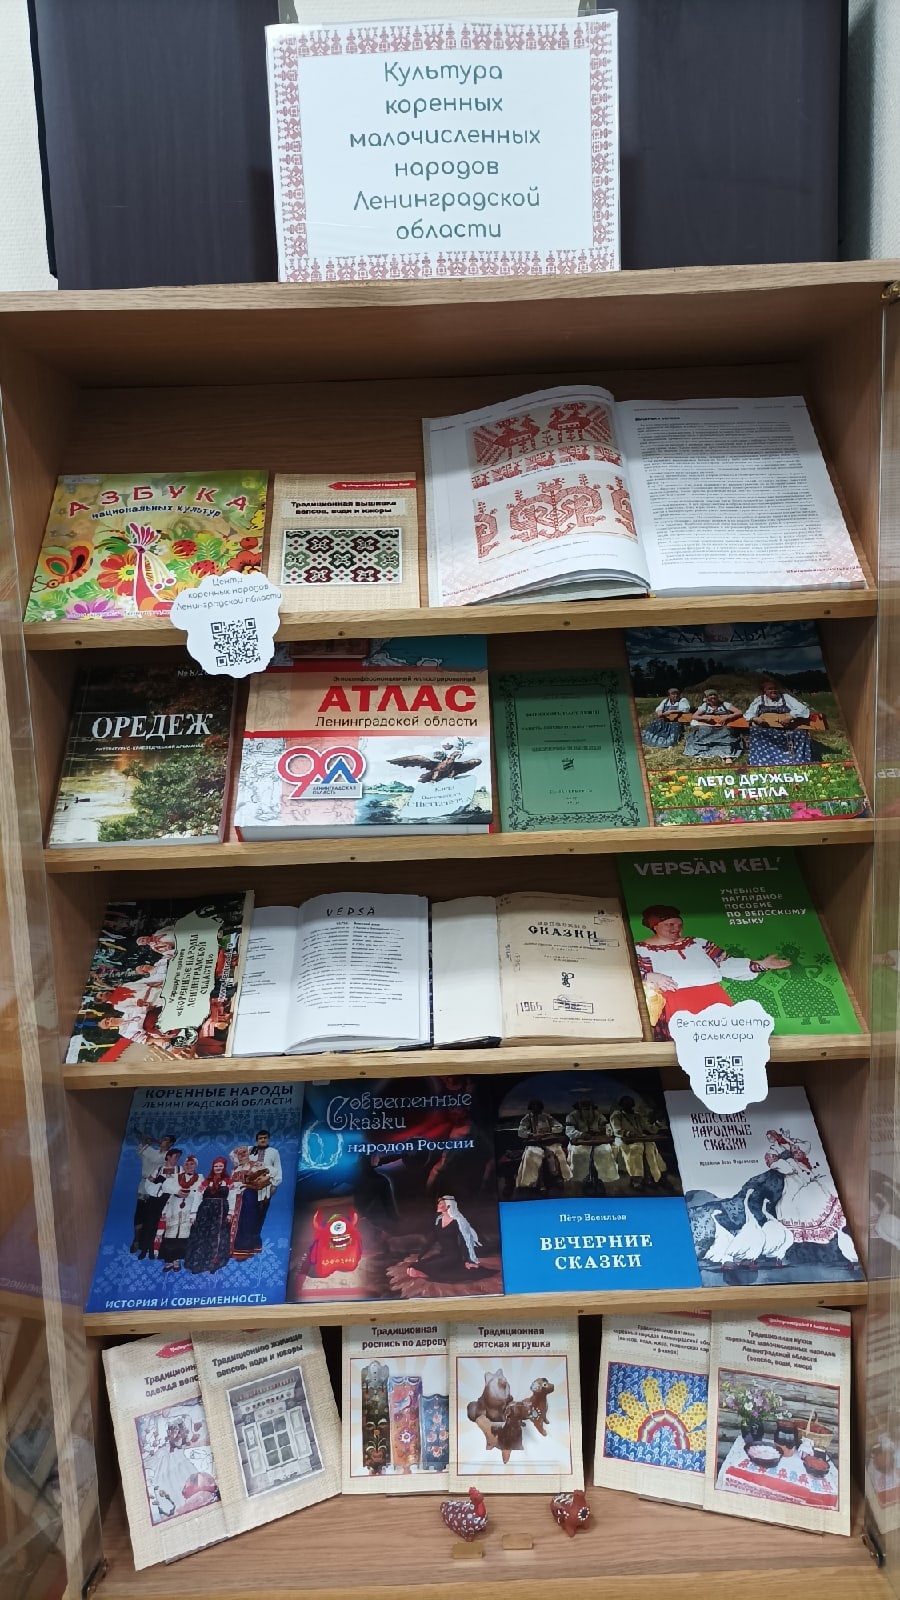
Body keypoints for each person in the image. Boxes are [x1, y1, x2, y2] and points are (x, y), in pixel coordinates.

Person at [636, 905, 791, 1041]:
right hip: (676, 1001)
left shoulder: (698, 943)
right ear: (655, 925)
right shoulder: (641, 949)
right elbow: (631, 975)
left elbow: (725, 964)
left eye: (679, 925)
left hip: (713, 997)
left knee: (726, 1039)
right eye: (670, 924)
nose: (676, 928)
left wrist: (761, 965)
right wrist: (650, 976)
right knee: (689, 1042)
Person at [406, 1195, 487, 1282]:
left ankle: (426, 1275)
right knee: (414, 1265)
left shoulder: (458, 1221)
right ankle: (424, 1272)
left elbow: (465, 1242)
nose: (438, 1205)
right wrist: (420, 1255)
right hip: (443, 1254)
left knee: (430, 1267)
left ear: (448, 1206)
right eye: (439, 1203)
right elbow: (431, 1240)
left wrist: (467, 1261)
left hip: (454, 1257)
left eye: (441, 1204)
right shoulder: (439, 1221)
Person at [744, 677, 814, 765]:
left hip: (786, 729)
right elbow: (749, 713)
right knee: (756, 731)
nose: (773, 690)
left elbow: (803, 708)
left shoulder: (786, 698)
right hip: (767, 729)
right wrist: (756, 719)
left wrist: (791, 716)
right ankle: (764, 760)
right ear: (764, 690)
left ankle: (793, 759)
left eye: (775, 688)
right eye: (770, 689)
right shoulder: (759, 700)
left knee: (800, 732)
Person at [184, 1157, 233, 1275]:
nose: (218, 1168)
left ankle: (213, 1264)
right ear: (212, 1167)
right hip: (205, 1211)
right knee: (201, 1236)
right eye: (216, 1166)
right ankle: (197, 1264)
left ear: (224, 1167)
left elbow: (232, 1197)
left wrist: (230, 1213)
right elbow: (197, 1197)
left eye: (220, 1166)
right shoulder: (205, 1182)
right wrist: (193, 1214)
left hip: (220, 1211)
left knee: (216, 1237)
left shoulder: (228, 1182)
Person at [131, 1130, 176, 1252]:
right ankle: (136, 1240)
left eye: (166, 1140)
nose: (162, 1141)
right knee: (139, 1214)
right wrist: (144, 1141)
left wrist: (148, 1143)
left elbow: (155, 1159)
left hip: (157, 1189)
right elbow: (140, 1152)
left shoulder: (168, 1156)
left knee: (150, 1217)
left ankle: (148, 1244)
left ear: (171, 1144)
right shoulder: (153, 1152)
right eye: (162, 1139)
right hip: (144, 1186)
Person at [514, 1099, 572, 1191]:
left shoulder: (547, 1116)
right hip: (535, 1144)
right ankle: (533, 1182)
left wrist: (549, 1131)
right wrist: (531, 1134)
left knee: (559, 1153)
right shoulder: (527, 1118)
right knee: (531, 1155)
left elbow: (559, 1126)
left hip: (549, 1142)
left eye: (538, 1106)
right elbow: (521, 1132)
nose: (536, 1109)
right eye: (534, 1107)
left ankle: (559, 1177)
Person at [137, 1146, 182, 1259]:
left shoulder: (179, 1170)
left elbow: (178, 1186)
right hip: (155, 1199)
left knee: (160, 1226)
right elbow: (149, 1183)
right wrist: (157, 1188)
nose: (176, 1159)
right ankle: (145, 1249)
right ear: (168, 1157)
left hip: (169, 1200)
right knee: (149, 1223)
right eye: (175, 1156)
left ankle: (154, 1249)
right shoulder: (159, 1169)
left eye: (178, 1157)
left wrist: (167, 1185)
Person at [159, 1154, 202, 1272]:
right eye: (186, 1164)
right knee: (170, 1234)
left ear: (196, 1166)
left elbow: (200, 1193)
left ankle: (176, 1259)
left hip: (189, 1208)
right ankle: (169, 1260)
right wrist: (177, 1191)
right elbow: (166, 1186)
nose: (189, 1166)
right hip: (174, 1207)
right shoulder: (176, 1176)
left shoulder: (200, 1178)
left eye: (192, 1164)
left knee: (183, 1236)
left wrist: (189, 1194)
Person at [564, 1098, 619, 1188]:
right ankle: (580, 1179)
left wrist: (604, 1130)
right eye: (584, 1108)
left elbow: (607, 1126)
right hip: (580, 1141)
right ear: (579, 1108)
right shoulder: (571, 1116)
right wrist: (581, 1134)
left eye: (589, 1108)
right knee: (579, 1153)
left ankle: (605, 1178)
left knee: (605, 1151)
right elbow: (569, 1131)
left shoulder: (597, 1114)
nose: (587, 1110)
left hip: (597, 1140)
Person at [683, 689, 743, 761]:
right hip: (709, 726)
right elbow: (694, 716)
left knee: (726, 733)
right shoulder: (705, 706)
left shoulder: (725, 705)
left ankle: (727, 755)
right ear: (707, 698)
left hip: (723, 726)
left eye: (714, 695)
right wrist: (705, 718)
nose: (713, 696)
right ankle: (702, 754)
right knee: (703, 733)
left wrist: (727, 717)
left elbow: (739, 712)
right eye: (710, 695)